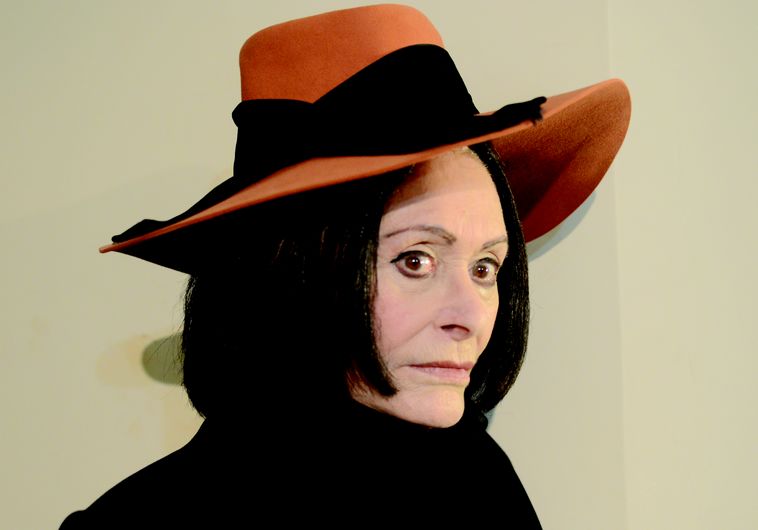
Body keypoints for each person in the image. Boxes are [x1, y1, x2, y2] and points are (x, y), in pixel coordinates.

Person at [59, 4, 630, 528]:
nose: (471, 317)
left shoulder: (476, 479)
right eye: (416, 260)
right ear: (291, 274)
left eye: (485, 268)